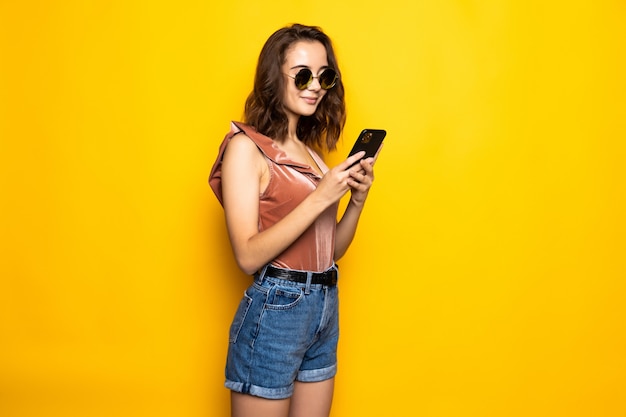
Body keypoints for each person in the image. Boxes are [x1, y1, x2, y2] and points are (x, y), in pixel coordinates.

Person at [208, 23, 381, 417]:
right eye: (303, 74)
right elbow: (248, 256)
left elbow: (328, 252)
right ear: (274, 78)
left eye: (325, 76)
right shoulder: (245, 149)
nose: (316, 85)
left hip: (324, 304)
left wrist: (356, 199)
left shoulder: (313, 156)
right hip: (276, 309)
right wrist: (321, 196)